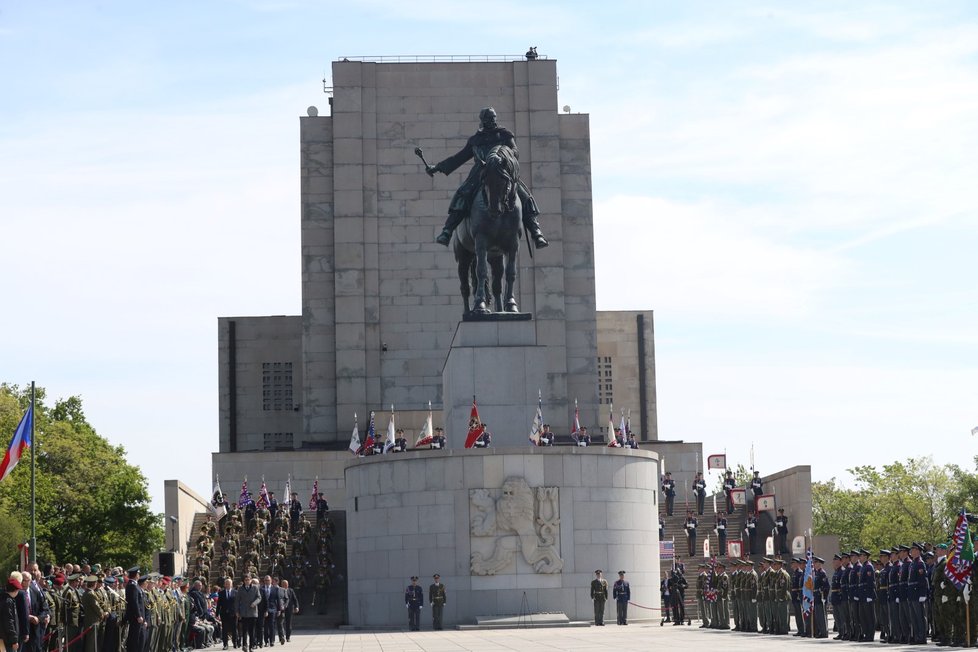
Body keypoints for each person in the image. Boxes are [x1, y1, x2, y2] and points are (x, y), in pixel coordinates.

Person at [426, 107, 548, 249]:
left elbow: (515, 151)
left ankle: (536, 231)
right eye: (487, 119)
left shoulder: (505, 135)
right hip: (480, 173)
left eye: (492, 118)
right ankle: (447, 231)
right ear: (482, 120)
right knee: (462, 194)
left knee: (525, 196)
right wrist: (438, 167)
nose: (490, 121)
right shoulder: (475, 140)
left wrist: (503, 156)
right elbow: (459, 158)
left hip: (502, 171)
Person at [234, 576, 260, 652]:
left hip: (253, 612)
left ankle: (251, 646)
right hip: (244, 613)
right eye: (246, 580)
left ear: (251, 580)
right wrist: (237, 611)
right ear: (244, 581)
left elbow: (259, 597)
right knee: (244, 630)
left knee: (252, 631)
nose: (247, 581)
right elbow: (237, 601)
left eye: (248, 580)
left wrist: (254, 603)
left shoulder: (255, 588)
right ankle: (244, 645)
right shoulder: (240, 589)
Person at [216, 579, 236, 650]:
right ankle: (225, 644)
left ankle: (235, 642)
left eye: (229, 583)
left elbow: (237, 604)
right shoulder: (221, 593)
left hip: (233, 614)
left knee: (234, 629)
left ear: (231, 584)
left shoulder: (235, 592)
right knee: (225, 629)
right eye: (226, 583)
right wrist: (217, 614)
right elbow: (218, 604)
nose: (227, 585)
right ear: (224, 585)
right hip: (224, 614)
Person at [1, 576, 19, 652]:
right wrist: (14, 640)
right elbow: (9, 621)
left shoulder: (3, 598)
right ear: (15, 590)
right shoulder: (8, 602)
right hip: (7, 639)